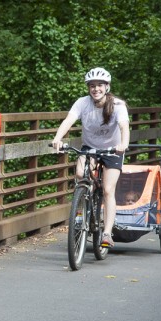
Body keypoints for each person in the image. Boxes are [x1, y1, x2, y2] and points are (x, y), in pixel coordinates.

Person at [51, 67, 130, 248]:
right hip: (90, 147)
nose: (96, 89)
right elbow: (68, 121)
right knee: (80, 174)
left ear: (107, 87)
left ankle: (107, 233)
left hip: (113, 149)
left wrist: (123, 144)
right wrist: (57, 138)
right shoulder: (82, 103)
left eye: (100, 85)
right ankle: (87, 201)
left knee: (109, 189)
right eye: (92, 86)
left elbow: (124, 126)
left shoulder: (117, 105)